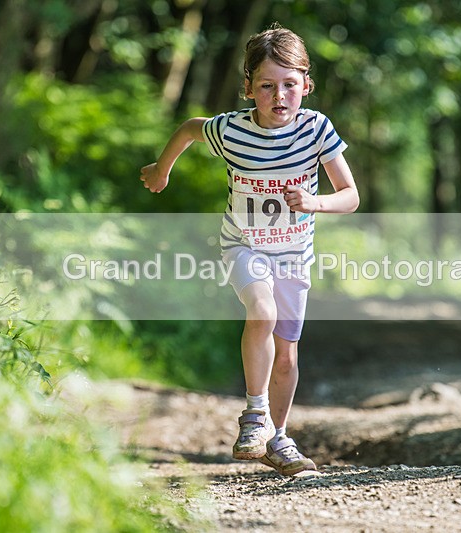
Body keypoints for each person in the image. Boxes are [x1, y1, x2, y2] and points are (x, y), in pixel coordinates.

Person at [140, 24, 359, 476]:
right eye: (266, 86)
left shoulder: (317, 130)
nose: (279, 96)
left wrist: (316, 202)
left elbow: (350, 195)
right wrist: (162, 170)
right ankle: (254, 416)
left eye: (289, 85)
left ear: (306, 85)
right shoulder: (233, 132)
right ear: (248, 88)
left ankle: (278, 438)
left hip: (294, 256)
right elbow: (189, 128)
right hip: (243, 245)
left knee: (288, 356)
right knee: (262, 312)